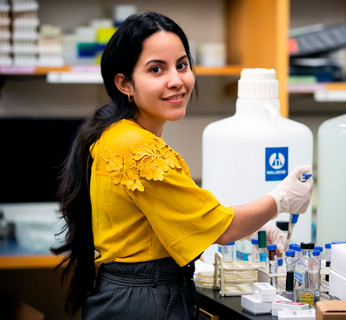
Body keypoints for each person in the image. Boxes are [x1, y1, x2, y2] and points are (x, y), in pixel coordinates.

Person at [51, 11, 313, 319]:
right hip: (144, 302)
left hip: (133, 293)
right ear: (125, 84)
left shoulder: (118, 135)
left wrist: (254, 226)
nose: (176, 81)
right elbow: (224, 229)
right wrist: (280, 199)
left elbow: (184, 217)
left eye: (182, 65)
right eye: (156, 69)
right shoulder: (137, 148)